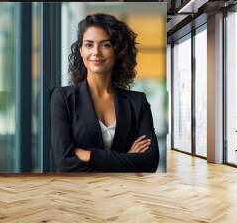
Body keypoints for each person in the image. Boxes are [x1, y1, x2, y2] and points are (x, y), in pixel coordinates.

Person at [50, 13, 159, 172]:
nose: (96, 52)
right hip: (79, 194)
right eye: (89, 45)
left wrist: (89, 155)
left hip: (126, 194)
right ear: (81, 51)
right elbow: (64, 162)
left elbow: (150, 162)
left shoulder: (137, 102)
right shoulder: (62, 98)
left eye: (105, 45)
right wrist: (127, 157)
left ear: (117, 51)